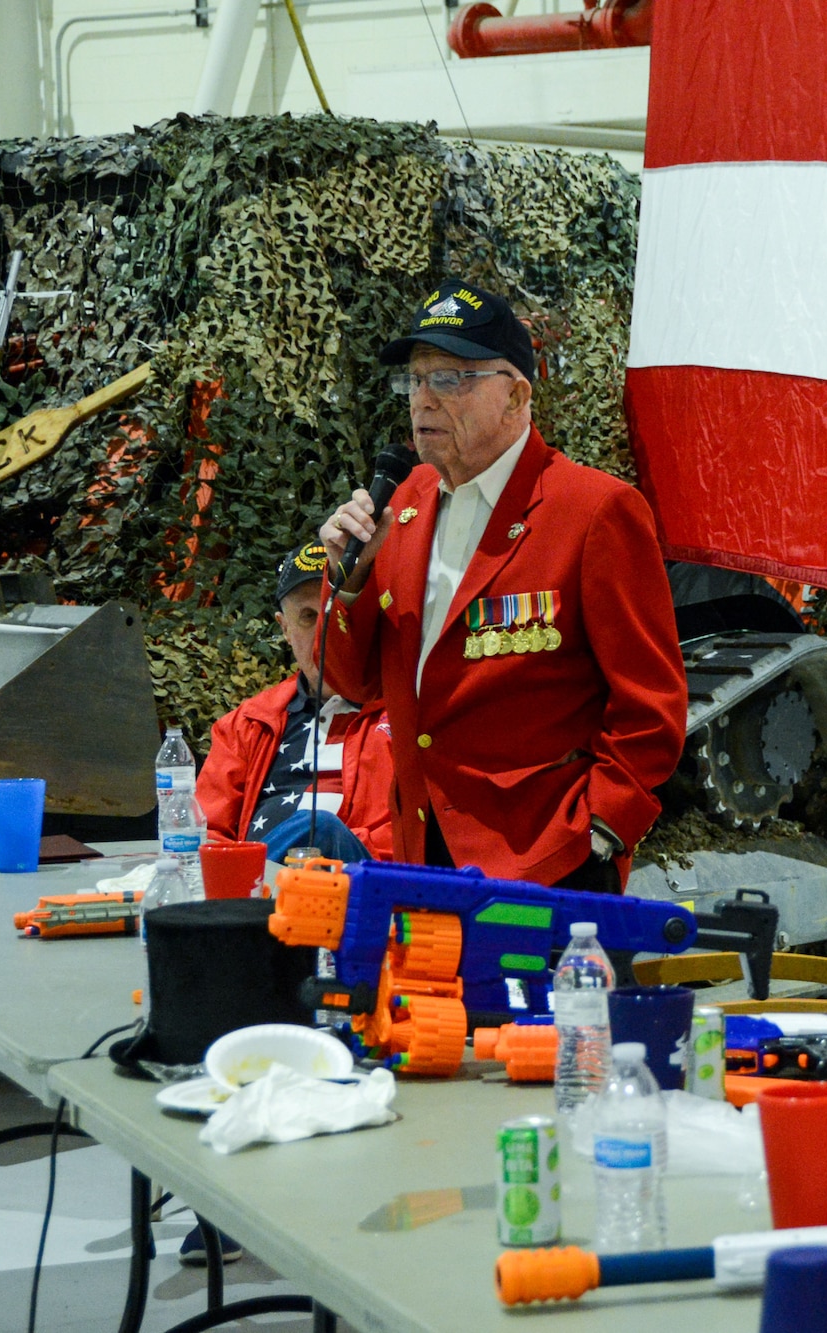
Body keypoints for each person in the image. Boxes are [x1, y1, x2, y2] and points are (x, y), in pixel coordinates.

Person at [317, 279, 687, 888]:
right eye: (414, 379)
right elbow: (355, 683)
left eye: (449, 379)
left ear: (516, 395)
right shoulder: (403, 505)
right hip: (419, 851)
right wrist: (347, 582)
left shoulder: (593, 510)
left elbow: (652, 705)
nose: (423, 401)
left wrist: (602, 829)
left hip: (547, 859)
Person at [197, 540, 393, 865]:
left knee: (319, 829)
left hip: (359, 889)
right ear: (284, 629)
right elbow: (206, 835)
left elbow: (410, 840)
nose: (324, 633)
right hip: (258, 899)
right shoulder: (245, 725)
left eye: (334, 613)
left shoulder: (405, 718)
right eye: (307, 617)